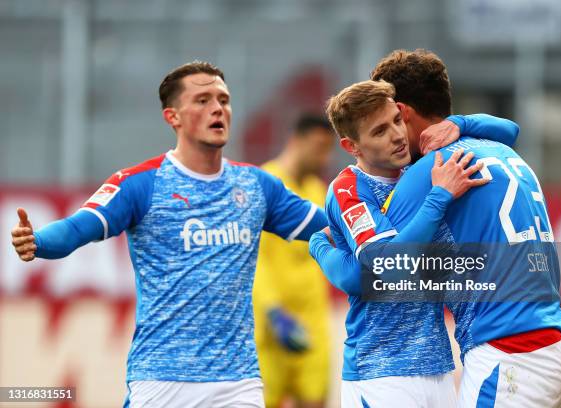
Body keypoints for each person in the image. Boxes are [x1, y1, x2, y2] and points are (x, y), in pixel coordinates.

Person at [10, 61, 328, 408]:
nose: (217, 108)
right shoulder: (140, 184)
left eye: (223, 99)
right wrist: (37, 241)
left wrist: (381, 222)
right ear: (172, 117)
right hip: (162, 379)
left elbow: (330, 226)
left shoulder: (257, 185)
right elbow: (76, 229)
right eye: (203, 100)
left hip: (238, 382)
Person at [313, 49, 561, 407]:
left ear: (401, 110)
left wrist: (322, 247)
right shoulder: (500, 151)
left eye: (394, 121)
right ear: (351, 145)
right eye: (379, 129)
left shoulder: (424, 173)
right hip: (384, 369)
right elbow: (376, 272)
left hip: (493, 354)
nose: (393, 135)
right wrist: (321, 246)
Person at [253, 114, 335, 408]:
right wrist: (273, 311)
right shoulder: (266, 184)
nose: (323, 156)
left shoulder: (318, 191)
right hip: (269, 325)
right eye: (317, 147)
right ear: (295, 141)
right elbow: (255, 259)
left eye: (327, 148)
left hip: (312, 323)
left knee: (315, 401)